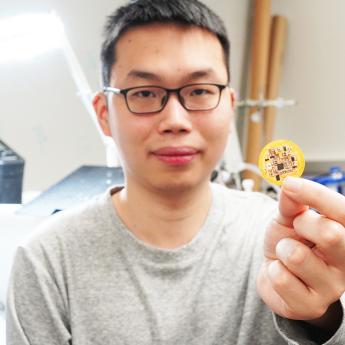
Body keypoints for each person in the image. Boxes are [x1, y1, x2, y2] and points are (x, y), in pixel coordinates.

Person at [6, 0, 345, 344]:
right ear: (104, 113)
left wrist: (323, 317)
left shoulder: (287, 241)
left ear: (229, 107)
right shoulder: (45, 261)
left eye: (199, 91)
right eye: (144, 93)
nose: (175, 121)